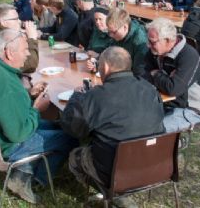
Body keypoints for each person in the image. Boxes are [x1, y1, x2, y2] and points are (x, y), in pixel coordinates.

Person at [0, 29, 77, 204]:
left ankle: (25, 171)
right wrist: (37, 109)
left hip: (2, 134)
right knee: (70, 136)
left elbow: (7, 105)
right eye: (25, 49)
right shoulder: (3, 82)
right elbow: (18, 134)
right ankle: (34, 179)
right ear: (9, 53)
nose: (28, 54)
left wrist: (28, 93)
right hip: (11, 145)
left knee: (60, 125)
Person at [61, 46, 165, 192]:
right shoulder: (150, 89)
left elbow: (72, 128)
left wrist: (77, 96)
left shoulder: (96, 96)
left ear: (105, 66)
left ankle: (108, 192)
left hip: (114, 173)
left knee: (75, 156)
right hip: (155, 166)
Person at [144, 18, 200, 132]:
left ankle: (174, 143)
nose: (149, 45)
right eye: (148, 41)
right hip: (165, 102)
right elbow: (142, 71)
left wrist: (156, 74)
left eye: (153, 42)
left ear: (168, 41)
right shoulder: (157, 50)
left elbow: (173, 89)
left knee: (153, 130)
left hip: (190, 109)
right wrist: (164, 79)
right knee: (134, 119)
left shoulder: (188, 56)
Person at [106, 8, 148, 76]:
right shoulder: (116, 35)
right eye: (109, 32)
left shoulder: (140, 41)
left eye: (113, 32)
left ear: (125, 27)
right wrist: (97, 62)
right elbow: (108, 52)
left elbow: (138, 71)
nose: (111, 35)